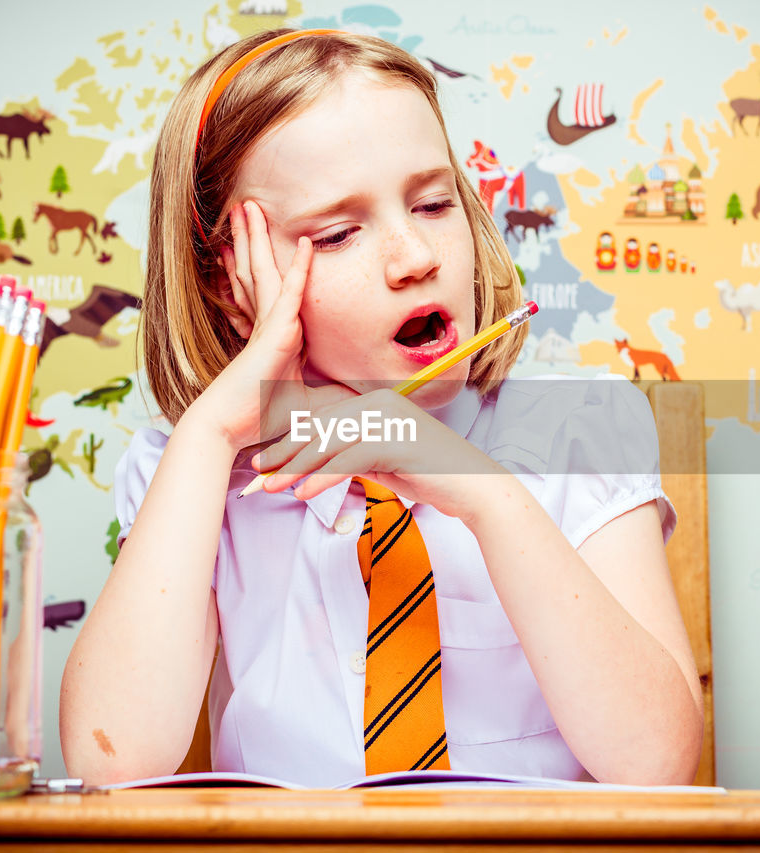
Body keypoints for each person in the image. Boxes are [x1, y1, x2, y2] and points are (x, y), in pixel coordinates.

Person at [59, 28, 702, 787]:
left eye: (433, 203)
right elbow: (112, 761)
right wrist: (210, 431)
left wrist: (481, 493)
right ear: (228, 283)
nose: (415, 256)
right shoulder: (199, 472)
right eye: (336, 234)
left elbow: (657, 762)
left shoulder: (580, 426)